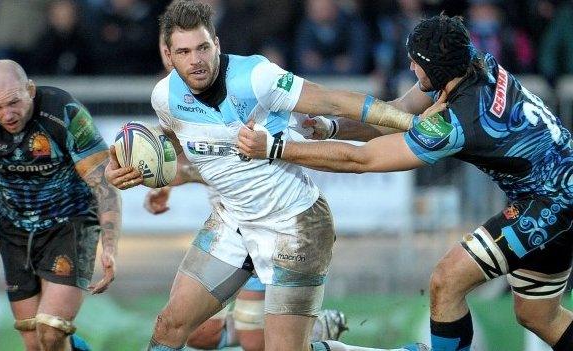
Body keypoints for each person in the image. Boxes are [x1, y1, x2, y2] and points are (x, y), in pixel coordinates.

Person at [237, 14, 573, 351]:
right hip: (553, 192)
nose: (410, 67)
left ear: (436, 69)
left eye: (416, 62)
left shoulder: (458, 122)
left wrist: (277, 149)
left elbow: (362, 160)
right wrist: (333, 127)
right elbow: (398, 112)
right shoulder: (471, 61)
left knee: (447, 281)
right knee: (537, 316)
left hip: (551, 204)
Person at [105, 1, 428, 350]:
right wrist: (131, 165)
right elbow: (174, 142)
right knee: (172, 326)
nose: (196, 60)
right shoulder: (165, 98)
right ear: (168, 56)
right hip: (233, 223)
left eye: (202, 47)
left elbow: (334, 102)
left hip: (295, 226)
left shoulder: (257, 77)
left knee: (272, 347)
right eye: (184, 52)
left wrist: (411, 122)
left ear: (217, 43)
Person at [0, 60, 121, 351]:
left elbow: (103, 183)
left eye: (14, 102)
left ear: (30, 89)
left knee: (51, 330)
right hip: (14, 230)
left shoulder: (64, 113)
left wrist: (111, 246)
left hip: (70, 223)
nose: (7, 115)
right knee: (34, 343)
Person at [144, 182, 348, 351]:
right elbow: (185, 153)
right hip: (230, 229)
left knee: (254, 342)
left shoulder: (246, 135)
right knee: (200, 335)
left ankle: (300, 330)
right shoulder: (193, 135)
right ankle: (299, 329)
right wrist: (165, 179)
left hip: (271, 229)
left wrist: (179, 174)